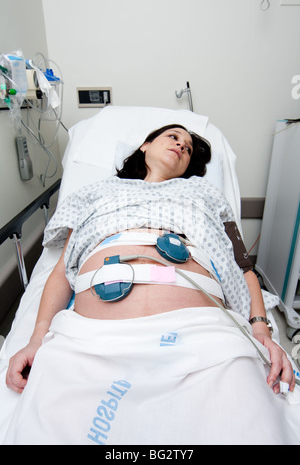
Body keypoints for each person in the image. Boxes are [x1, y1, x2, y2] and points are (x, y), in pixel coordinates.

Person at [4, 124, 296, 444]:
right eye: (174, 137)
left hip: (205, 339)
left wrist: (260, 332)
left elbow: (243, 269)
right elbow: (63, 269)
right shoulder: (95, 192)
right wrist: (36, 338)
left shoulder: (206, 195)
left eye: (188, 148)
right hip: (90, 342)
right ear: (145, 145)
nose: (182, 146)